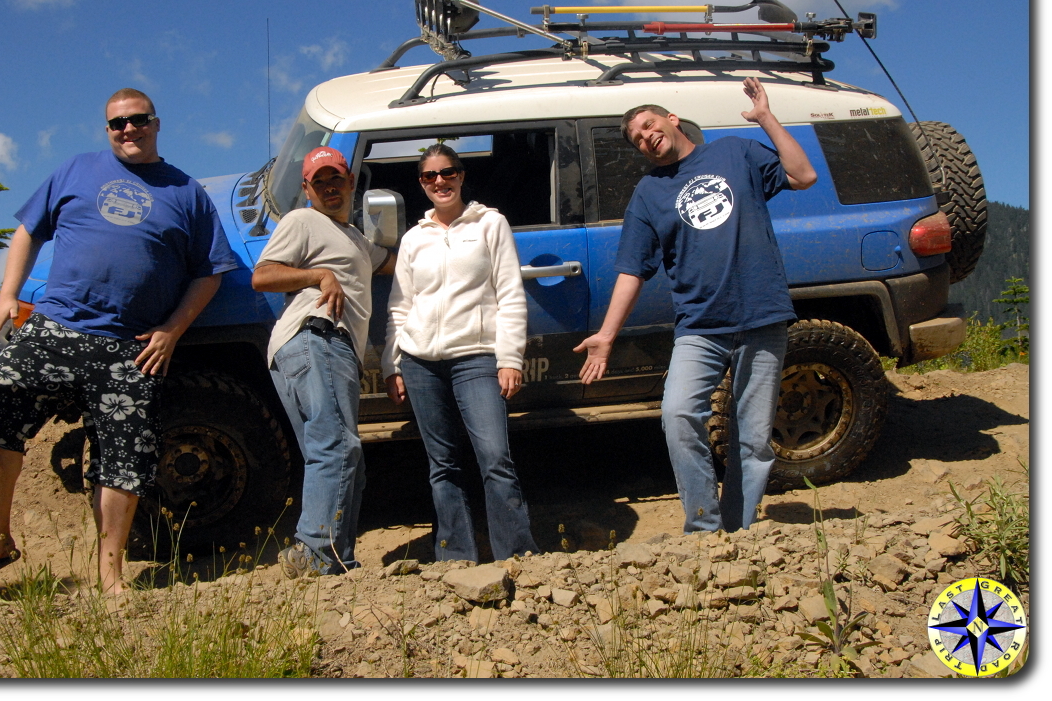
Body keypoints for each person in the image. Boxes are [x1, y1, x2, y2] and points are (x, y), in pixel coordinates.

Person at [0, 88, 238, 594]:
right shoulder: (74, 171)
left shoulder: (187, 193)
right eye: (117, 124)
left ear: (156, 123)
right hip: (57, 327)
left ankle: (110, 579)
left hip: (132, 346)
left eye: (138, 120)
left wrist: (172, 329)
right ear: (107, 130)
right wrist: (8, 297)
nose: (128, 129)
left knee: (126, 457)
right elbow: (26, 232)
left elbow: (209, 272)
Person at [575, 77, 817, 533]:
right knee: (679, 414)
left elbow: (803, 176)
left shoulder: (733, 153)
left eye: (649, 125)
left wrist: (765, 117)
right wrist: (606, 336)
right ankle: (704, 529)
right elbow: (632, 269)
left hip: (762, 314)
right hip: (699, 324)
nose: (646, 138)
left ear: (671, 119)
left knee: (753, 438)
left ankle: (738, 531)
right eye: (638, 139)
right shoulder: (649, 193)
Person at [383, 143, 539, 563]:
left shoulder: (491, 224)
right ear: (421, 183)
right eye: (430, 176)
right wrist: (391, 363)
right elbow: (400, 305)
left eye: (448, 172)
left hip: (476, 356)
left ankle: (519, 555)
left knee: (494, 457)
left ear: (461, 175)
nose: (440, 181)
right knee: (442, 465)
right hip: (419, 362)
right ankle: (455, 558)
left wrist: (509, 358)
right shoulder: (414, 238)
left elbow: (510, 294)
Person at [252, 146, 394, 576]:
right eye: (320, 182)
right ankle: (316, 555)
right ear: (307, 189)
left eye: (337, 179)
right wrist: (319, 275)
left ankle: (331, 561)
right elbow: (263, 275)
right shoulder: (302, 221)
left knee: (340, 456)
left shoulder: (355, 239)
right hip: (316, 337)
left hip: (327, 349)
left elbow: (396, 262)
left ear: (352, 182)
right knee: (338, 449)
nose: (330, 188)